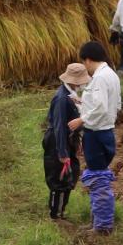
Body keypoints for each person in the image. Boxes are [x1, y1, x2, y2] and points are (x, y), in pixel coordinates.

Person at [75, 40, 122, 234]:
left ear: (88, 60)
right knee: (99, 176)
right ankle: (98, 221)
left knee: (98, 180)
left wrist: (82, 119)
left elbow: (100, 107)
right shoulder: (111, 74)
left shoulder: (101, 78)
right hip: (106, 131)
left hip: (96, 133)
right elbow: (115, 104)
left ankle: (102, 226)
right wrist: (82, 103)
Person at [42, 64, 83, 220]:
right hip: (57, 141)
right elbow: (59, 126)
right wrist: (62, 152)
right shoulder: (61, 98)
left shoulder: (71, 94)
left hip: (68, 140)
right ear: (74, 81)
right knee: (58, 178)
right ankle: (55, 215)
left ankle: (61, 211)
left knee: (68, 176)